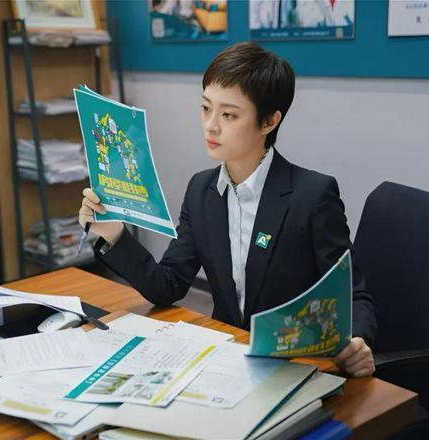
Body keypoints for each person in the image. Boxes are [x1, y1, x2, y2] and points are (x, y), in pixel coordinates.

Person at [79, 42, 376, 377]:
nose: (211, 125)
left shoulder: (312, 195)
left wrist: (358, 341)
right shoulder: (201, 190)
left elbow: (353, 294)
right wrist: (114, 235)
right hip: (228, 359)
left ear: (268, 121)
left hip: (296, 365)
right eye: (206, 108)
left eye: (228, 115)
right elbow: (169, 285)